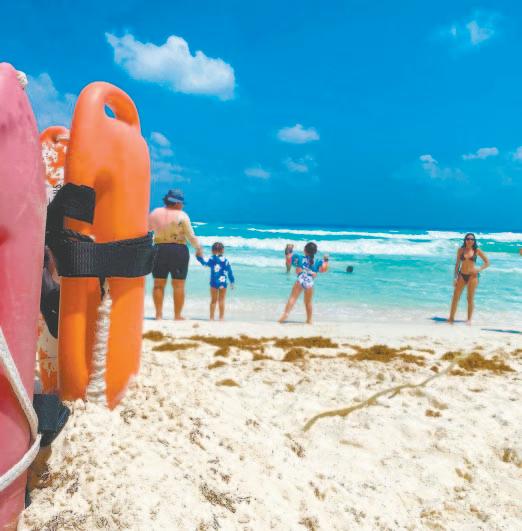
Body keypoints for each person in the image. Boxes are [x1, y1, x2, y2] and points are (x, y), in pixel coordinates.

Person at [148, 189, 202, 320]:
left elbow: (147, 230)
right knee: (178, 285)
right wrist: (198, 248)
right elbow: (190, 236)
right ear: (177, 203)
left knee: (158, 284)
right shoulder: (182, 216)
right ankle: (177, 316)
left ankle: (158, 315)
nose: (182, 205)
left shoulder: (155, 213)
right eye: (181, 203)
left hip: (159, 249)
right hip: (178, 250)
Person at [279, 242, 329, 324]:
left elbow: (288, 259)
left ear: (304, 250)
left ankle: (285, 315)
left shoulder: (299, 258)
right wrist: (326, 260)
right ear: (315, 252)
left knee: (293, 298)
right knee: (308, 302)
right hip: (310, 282)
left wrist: (289, 249)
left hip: (300, 280)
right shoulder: (317, 261)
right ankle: (309, 320)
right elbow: (324, 269)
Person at [448, 233, 490, 324]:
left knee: (470, 298)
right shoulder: (461, 250)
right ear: (465, 240)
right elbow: (457, 265)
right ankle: (451, 318)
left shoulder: (477, 250)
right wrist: (455, 277)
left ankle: (469, 319)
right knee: (455, 297)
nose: (470, 241)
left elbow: (487, 262)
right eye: (468, 239)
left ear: (474, 241)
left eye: (472, 239)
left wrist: (478, 269)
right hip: (462, 275)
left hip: (472, 276)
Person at [196, 242, 235, 320]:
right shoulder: (226, 260)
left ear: (212, 251)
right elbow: (230, 272)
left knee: (213, 301)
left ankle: (211, 318)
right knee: (221, 300)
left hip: (214, 282)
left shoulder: (212, 259)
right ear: (223, 250)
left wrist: (199, 258)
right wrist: (232, 281)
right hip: (223, 283)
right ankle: (221, 318)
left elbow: (205, 264)